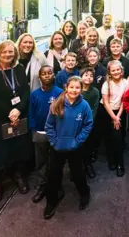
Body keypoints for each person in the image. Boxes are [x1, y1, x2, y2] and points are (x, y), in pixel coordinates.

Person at [0, 40, 32, 203]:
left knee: (20, 146)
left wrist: (18, 110)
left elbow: (26, 91)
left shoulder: (18, 69)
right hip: (0, 117)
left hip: (19, 114)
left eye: (11, 52)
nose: (8, 55)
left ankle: (19, 175)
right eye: (4, 52)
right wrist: (9, 113)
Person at [44, 76, 93, 219]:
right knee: (53, 174)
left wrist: (77, 141)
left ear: (81, 88)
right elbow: (49, 125)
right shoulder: (56, 104)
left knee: (78, 173)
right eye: (72, 87)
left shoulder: (84, 106)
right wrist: (54, 142)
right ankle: (51, 201)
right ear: (66, 87)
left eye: (77, 87)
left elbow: (88, 125)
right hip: (57, 147)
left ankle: (85, 194)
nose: (74, 90)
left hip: (75, 147)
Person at [29, 65, 63, 203]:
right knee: (41, 161)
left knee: (56, 161)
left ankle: (57, 186)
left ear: (54, 75)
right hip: (39, 132)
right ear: (39, 77)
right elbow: (31, 113)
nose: (47, 76)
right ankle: (43, 186)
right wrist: (33, 130)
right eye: (44, 74)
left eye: (50, 73)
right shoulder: (34, 94)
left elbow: (63, 113)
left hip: (56, 133)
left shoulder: (60, 92)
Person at [101, 60, 129, 175]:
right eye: (113, 70)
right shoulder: (106, 84)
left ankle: (120, 164)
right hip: (107, 112)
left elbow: (124, 100)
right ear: (109, 72)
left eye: (118, 69)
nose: (116, 72)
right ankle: (111, 160)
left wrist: (118, 117)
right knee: (109, 138)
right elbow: (106, 103)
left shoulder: (125, 83)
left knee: (118, 138)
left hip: (119, 111)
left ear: (121, 70)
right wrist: (114, 117)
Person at [80, 67, 100, 178]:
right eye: (86, 75)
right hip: (75, 123)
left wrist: (87, 123)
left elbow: (94, 109)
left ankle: (88, 165)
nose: (88, 77)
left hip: (88, 124)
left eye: (91, 76)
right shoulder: (76, 89)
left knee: (88, 146)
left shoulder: (95, 92)